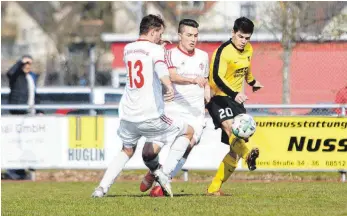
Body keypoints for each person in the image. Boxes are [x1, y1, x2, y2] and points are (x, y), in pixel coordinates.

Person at [91, 14, 194, 198]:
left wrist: (157, 47)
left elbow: (144, 61)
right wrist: (168, 85)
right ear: (153, 31)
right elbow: (161, 70)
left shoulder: (128, 49)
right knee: (189, 131)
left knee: (126, 150)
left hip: (128, 114)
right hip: (151, 115)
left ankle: (101, 189)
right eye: (159, 33)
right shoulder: (156, 51)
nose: (160, 37)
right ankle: (164, 173)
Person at [138, 19, 210, 196]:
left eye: (195, 35)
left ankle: (163, 182)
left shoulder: (203, 56)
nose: (193, 39)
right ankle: (154, 169)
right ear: (180, 36)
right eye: (189, 35)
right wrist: (193, 80)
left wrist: (208, 94)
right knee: (150, 150)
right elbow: (172, 75)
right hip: (173, 108)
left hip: (196, 113)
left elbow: (205, 80)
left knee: (188, 144)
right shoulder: (170, 54)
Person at [205, 17, 264, 196]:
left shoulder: (248, 49)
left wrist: (252, 82)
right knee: (231, 130)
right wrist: (234, 94)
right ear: (233, 33)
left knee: (234, 149)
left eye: (247, 38)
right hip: (219, 98)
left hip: (236, 101)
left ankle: (214, 188)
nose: (243, 41)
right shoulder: (223, 52)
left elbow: (247, 70)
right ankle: (249, 156)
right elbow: (216, 77)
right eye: (240, 37)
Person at [5, 55, 42, 180]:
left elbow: (34, 96)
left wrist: (40, 110)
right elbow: (10, 72)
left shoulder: (31, 77)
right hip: (18, 114)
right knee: (16, 143)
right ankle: (15, 171)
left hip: (30, 115)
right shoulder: (16, 77)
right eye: (25, 64)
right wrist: (21, 61)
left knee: (29, 142)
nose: (27, 66)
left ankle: (28, 168)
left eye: (29, 64)